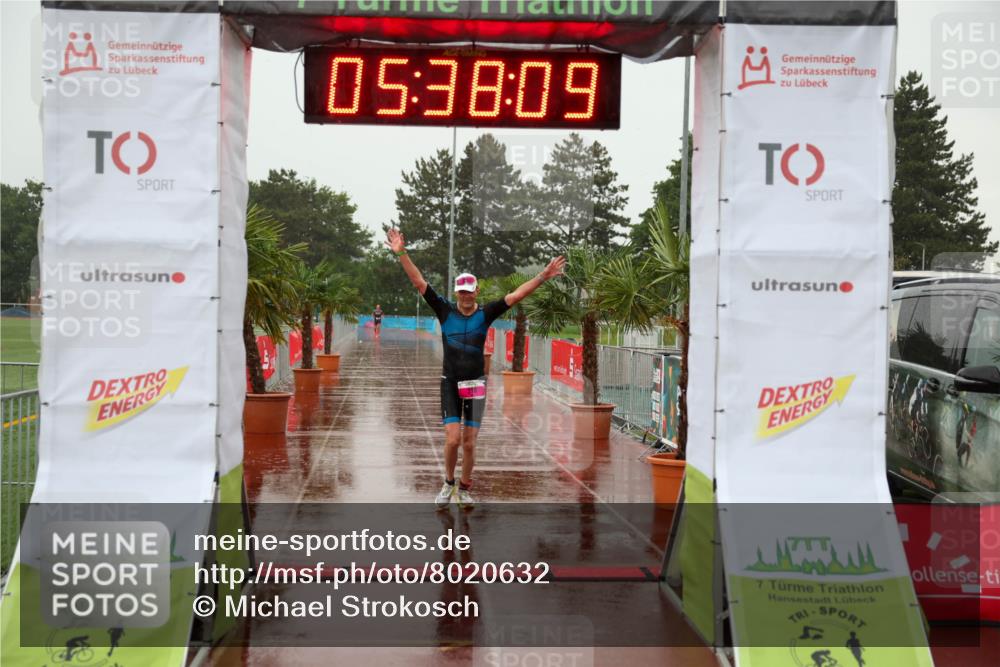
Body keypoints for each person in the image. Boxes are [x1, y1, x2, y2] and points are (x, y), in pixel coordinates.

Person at [386, 228, 564, 507]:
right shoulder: (444, 310)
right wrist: (402, 253)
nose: (466, 296)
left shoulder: (486, 312)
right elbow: (418, 281)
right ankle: (448, 483)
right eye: (462, 291)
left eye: (470, 291)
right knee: (453, 439)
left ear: (476, 291)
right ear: (456, 292)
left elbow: (516, 295)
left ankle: (465, 488)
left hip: (475, 385)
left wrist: (543, 275)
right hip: (450, 382)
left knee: (469, 442)